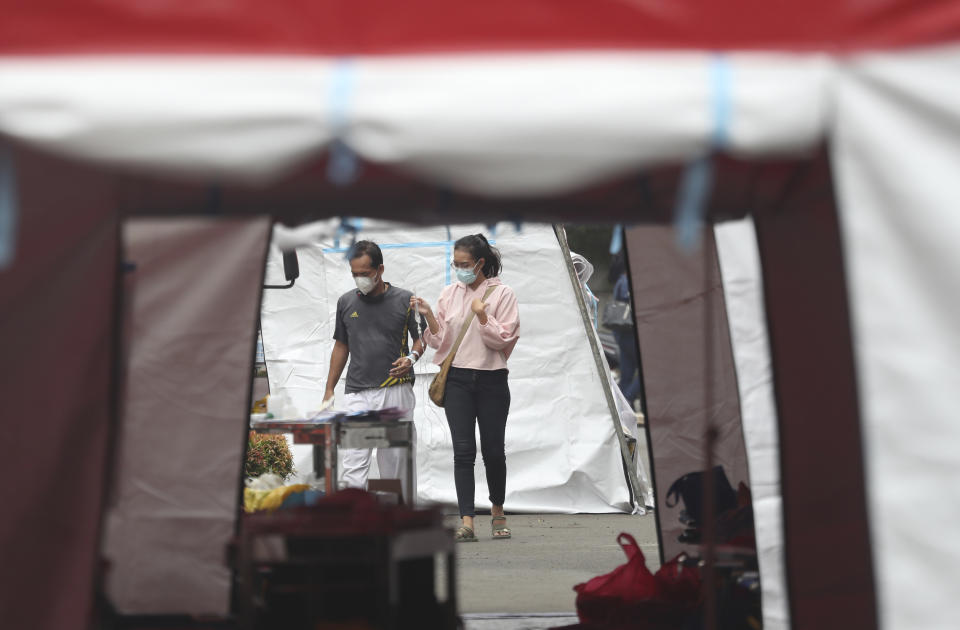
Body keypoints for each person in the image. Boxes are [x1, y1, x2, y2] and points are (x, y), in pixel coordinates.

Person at [412, 234, 520, 542]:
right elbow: (440, 342)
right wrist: (430, 316)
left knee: (493, 450)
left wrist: (483, 315)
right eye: (455, 264)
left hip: (492, 379)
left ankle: (497, 511)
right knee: (462, 451)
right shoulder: (450, 293)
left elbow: (503, 340)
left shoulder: (502, 293)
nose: (460, 269)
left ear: (481, 263)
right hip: (457, 378)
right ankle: (467, 521)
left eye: (465, 264)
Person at [323, 240, 424, 504]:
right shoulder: (346, 302)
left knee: (393, 462)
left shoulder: (405, 300)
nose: (359, 279)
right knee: (354, 461)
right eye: (354, 274)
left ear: (380, 269)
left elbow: (421, 338)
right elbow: (341, 346)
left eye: (365, 274)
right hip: (358, 393)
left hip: (395, 391)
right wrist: (329, 387)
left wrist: (412, 359)